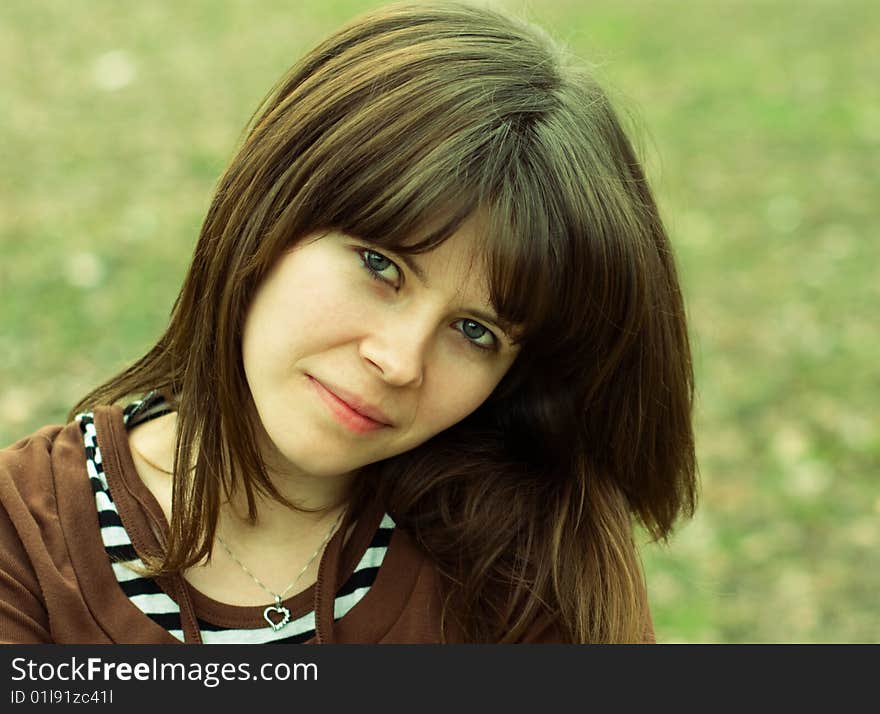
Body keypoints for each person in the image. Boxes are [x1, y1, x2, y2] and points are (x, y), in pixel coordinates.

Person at [0, 1, 696, 644]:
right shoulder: (28, 536)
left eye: (475, 331)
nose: (399, 360)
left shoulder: (524, 559)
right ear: (270, 209)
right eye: (380, 265)